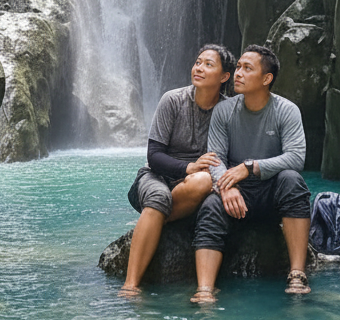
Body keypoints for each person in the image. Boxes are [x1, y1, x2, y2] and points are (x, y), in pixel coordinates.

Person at [190, 44, 312, 304]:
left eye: (247, 69)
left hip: (271, 192)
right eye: (237, 68)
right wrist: (226, 187)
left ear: (266, 79)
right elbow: (215, 158)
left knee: (292, 181)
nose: (238, 74)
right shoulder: (224, 111)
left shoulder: (286, 110)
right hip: (237, 195)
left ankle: (297, 274)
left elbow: (295, 158)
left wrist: (249, 167)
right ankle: (204, 289)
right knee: (211, 204)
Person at [119, 43, 236, 297]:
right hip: (155, 177)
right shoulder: (172, 100)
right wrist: (188, 166)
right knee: (160, 197)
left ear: (225, 76)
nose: (199, 68)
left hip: (195, 186)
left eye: (208, 64)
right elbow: (154, 155)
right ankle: (130, 286)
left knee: (203, 181)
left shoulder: (228, 111)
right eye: (197, 62)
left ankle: (151, 222)